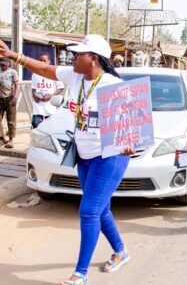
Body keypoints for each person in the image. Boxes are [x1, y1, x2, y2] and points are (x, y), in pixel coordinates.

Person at [0, 34, 135, 284]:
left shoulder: (113, 86)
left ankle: (80, 274)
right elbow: (42, 67)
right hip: (84, 156)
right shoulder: (75, 77)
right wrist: (13, 56)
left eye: (78, 54)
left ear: (93, 59)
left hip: (109, 157)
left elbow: (132, 125)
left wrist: (130, 142)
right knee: (101, 208)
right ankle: (121, 251)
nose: (72, 58)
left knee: (89, 211)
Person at [31, 53, 64, 128]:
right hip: (38, 105)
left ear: (49, 61)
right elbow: (33, 88)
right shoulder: (35, 74)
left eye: (44, 60)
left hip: (50, 105)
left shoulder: (53, 73)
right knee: (35, 123)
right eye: (40, 60)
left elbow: (60, 88)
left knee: (50, 126)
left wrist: (50, 96)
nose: (42, 62)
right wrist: (34, 96)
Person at [0, 58, 19, 148]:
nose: (2, 66)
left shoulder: (13, 72)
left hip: (10, 98)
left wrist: (15, 97)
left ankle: (11, 139)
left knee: (11, 120)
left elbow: (17, 85)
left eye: (4, 64)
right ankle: (1, 138)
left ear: (8, 64)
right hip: (0, 98)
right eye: (1, 64)